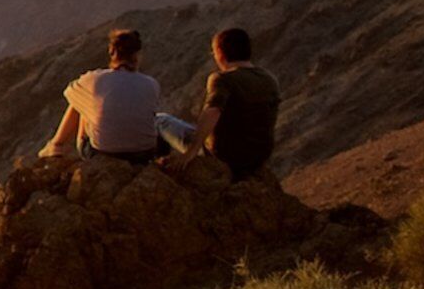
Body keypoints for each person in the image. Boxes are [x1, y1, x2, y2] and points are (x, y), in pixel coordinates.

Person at [43, 26, 169, 166]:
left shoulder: (94, 79)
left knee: (82, 99)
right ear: (138, 55)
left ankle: (56, 145)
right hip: (143, 154)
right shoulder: (151, 83)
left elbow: (68, 92)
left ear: (111, 51)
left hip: (102, 153)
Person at [181, 25, 280, 179]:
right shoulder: (270, 79)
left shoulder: (223, 79)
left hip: (226, 155)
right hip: (259, 156)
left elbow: (212, 111)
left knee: (162, 121)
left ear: (220, 53)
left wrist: (192, 150)